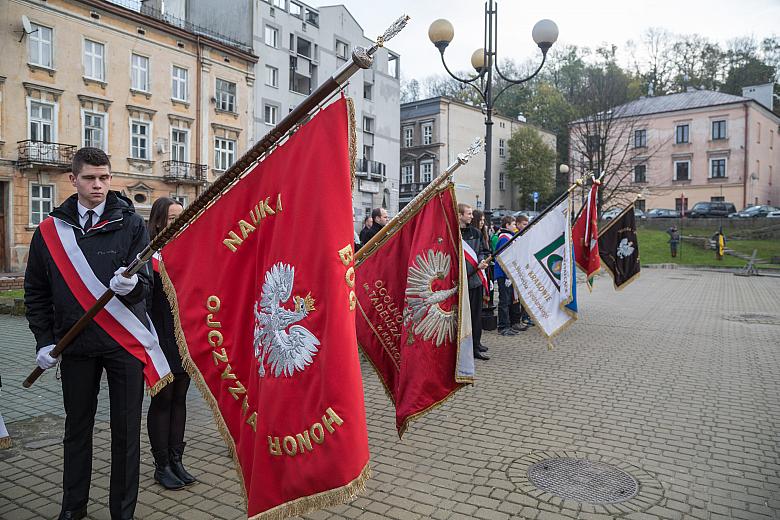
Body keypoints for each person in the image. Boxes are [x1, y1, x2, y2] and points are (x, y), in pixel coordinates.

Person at [25, 147, 153, 520]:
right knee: (77, 429)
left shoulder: (131, 223)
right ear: (73, 179)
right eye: (89, 178)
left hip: (124, 344)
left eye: (104, 178)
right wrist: (43, 339)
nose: (98, 185)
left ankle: (122, 513)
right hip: (76, 344)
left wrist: (135, 288)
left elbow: (147, 283)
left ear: (111, 178)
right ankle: (73, 508)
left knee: (126, 434)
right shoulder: (51, 231)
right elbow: (36, 290)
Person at [146, 198, 196, 490]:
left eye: (181, 217)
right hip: (158, 338)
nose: (178, 222)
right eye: (172, 218)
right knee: (162, 400)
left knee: (180, 398)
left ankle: (177, 460)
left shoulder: (187, 252)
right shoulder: (149, 256)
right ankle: (161, 465)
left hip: (183, 339)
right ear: (159, 222)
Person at [459, 203, 490, 361]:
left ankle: (475, 346)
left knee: (476, 316)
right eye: (469, 213)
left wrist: (481, 261)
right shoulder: (452, 233)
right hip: (459, 284)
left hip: (475, 282)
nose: (472, 216)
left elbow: (483, 251)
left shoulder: (476, 233)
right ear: (459, 215)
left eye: (472, 213)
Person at [494, 216, 520, 336]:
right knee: (504, 301)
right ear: (507, 225)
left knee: (509, 300)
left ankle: (508, 325)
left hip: (508, 274)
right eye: (513, 224)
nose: (515, 226)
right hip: (503, 274)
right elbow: (504, 258)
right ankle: (503, 326)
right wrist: (507, 276)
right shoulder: (504, 238)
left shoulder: (509, 236)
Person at [510, 214, 533, 329]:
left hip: (526, 268)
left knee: (526, 295)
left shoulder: (525, 235)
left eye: (527, 224)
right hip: (518, 270)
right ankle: (520, 318)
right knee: (517, 297)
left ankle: (526, 316)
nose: (526, 226)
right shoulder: (514, 236)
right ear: (518, 224)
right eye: (524, 224)